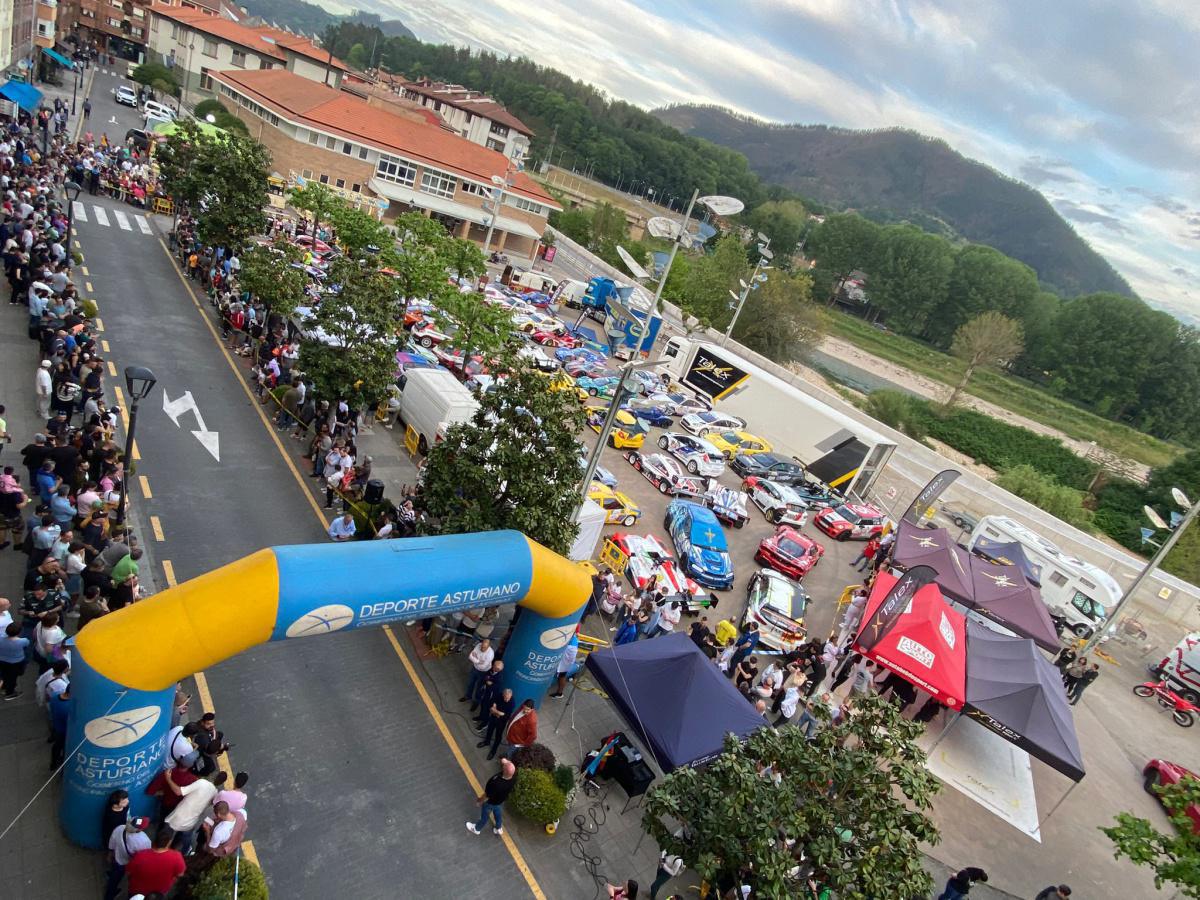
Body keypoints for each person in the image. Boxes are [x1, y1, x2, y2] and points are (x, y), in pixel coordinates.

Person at [164, 770, 220, 855]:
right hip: (191, 822)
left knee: (167, 836)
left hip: (177, 817)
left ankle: (165, 852)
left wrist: (168, 778)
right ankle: (185, 853)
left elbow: (178, 792)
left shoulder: (202, 783)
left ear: (213, 776)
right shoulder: (215, 793)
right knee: (186, 838)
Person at [125, 828, 186, 898]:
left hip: (136, 891)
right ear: (169, 842)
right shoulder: (177, 857)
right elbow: (180, 874)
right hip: (159, 893)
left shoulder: (139, 855)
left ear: (154, 840)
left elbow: (128, 872)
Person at [104, 815, 152, 900]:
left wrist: (110, 853)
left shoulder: (120, 828)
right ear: (139, 829)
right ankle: (109, 896)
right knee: (115, 879)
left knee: (114, 876)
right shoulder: (144, 841)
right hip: (126, 863)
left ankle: (110, 892)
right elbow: (143, 857)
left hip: (117, 857)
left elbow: (112, 841)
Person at [466, 758, 516, 836]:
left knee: (484, 816)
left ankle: (476, 829)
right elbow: (507, 764)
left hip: (490, 802)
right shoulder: (512, 778)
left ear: (505, 771)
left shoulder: (497, 784)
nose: (503, 765)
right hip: (499, 801)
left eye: (504, 766)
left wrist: (480, 801)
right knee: (497, 811)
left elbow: (487, 795)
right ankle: (498, 827)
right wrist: (505, 762)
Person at [477, 686, 515, 759]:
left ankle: (493, 751)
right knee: (490, 730)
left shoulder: (512, 703)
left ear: (511, 696)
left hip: (501, 722)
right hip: (494, 717)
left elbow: (505, 715)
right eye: (505, 697)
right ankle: (486, 742)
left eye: (508, 698)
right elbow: (493, 702)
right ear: (503, 694)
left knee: (498, 736)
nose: (506, 699)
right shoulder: (499, 695)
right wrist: (495, 709)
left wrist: (496, 711)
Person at [0, 620, 29, 699]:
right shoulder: (23, 641)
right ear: (19, 632)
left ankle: (4, 686)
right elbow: (27, 645)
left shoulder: (1, 639)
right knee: (13, 677)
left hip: (2, 661)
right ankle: (10, 693)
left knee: (5, 674)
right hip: (16, 662)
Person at [461, 638, 495, 704]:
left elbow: (483, 667)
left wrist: (475, 659)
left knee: (479, 687)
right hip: (474, 668)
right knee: (470, 683)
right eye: (482, 646)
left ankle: (476, 701)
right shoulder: (478, 645)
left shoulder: (490, 654)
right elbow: (470, 656)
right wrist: (478, 661)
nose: (482, 648)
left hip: (483, 672)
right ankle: (468, 696)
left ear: (488, 647)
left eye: (484, 648)